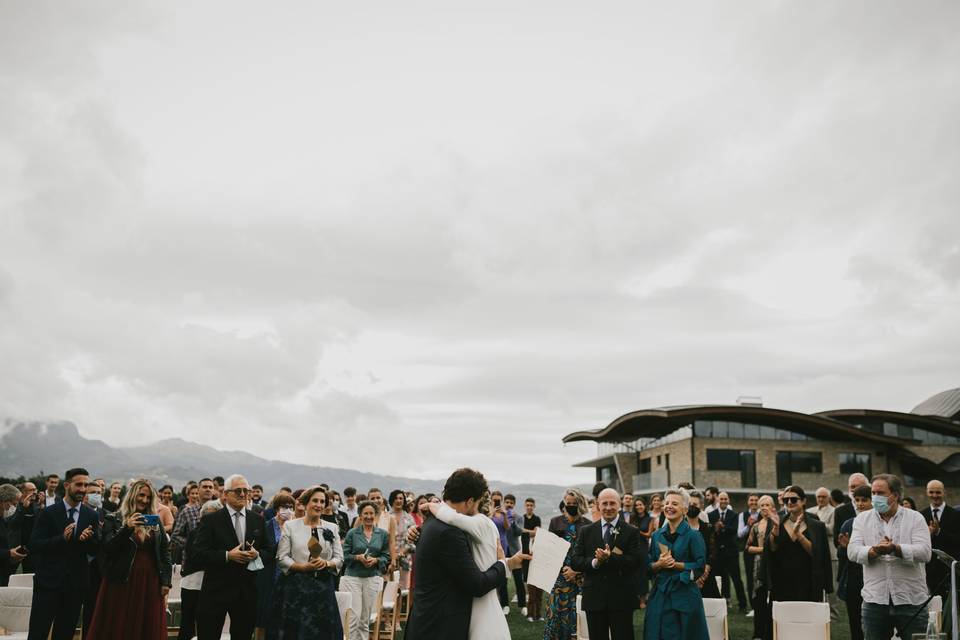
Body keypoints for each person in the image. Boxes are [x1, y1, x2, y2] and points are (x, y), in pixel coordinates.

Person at [404, 467, 525, 640]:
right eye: (476, 503)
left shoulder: (432, 522)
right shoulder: (449, 532)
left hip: (426, 620)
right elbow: (477, 584)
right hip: (439, 628)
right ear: (469, 501)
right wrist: (504, 564)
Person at [848, 473, 932, 640]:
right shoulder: (861, 520)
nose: (875, 497)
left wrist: (896, 549)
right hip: (875, 600)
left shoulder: (915, 518)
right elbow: (852, 551)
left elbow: (925, 552)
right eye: (873, 493)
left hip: (911, 599)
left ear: (895, 495)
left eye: (880, 493)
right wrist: (874, 551)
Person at [85, 479, 171, 640]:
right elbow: (108, 548)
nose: (144, 500)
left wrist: (166, 581)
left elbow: (164, 551)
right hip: (121, 579)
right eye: (141, 495)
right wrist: (127, 528)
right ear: (132, 495)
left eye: (148, 497)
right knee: (119, 623)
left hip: (150, 580)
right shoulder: (114, 518)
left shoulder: (154, 520)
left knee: (147, 625)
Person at [191, 473, 269, 640]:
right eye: (237, 491)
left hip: (246, 592)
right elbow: (197, 554)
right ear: (225, 494)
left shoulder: (258, 521)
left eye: (246, 491)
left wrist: (258, 554)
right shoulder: (211, 520)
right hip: (216, 590)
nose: (242, 494)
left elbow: (269, 551)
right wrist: (227, 556)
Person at [27, 467, 100, 640]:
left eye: (86, 485)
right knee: (38, 633)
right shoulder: (49, 512)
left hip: (75, 586)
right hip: (47, 584)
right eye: (79, 484)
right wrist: (61, 539)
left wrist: (87, 540)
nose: (83, 489)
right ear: (67, 485)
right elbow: (34, 544)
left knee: (65, 634)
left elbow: (96, 549)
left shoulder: (91, 515)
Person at [428, 491, 512, 639]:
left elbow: (451, 517)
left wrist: (431, 504)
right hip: (476, 595)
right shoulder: (475, 526)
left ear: (472, 502)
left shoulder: (481, 522)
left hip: (481, 597)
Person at [267, 486, 343, 640]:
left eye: (322, 501)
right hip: (296, 587)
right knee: (295, 631)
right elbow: (282, 557)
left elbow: (339, 558)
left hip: (322, 587)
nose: (319, 505)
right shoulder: (291, 526)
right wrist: (301, 566)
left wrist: (327, 564)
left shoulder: (332, 528)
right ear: (305, 503)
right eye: (315, 500)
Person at [571, 487, 642, 640]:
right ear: (598, 504)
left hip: (621, 598)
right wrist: (596, 562)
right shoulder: (586, 531)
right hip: (594, 597)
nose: (608, 507)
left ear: (619, 504)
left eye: (612, 503)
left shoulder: (631, 531)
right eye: (604, 503)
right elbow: (576, 561)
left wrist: (610, 558)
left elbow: (635, 561)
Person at [644, 488, 709, 640]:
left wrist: (677, 565)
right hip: (660, 594)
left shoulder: (694, 535)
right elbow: (648, 567)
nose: (669, 506)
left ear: (685, 509)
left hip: (685, 595)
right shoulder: (657, 535)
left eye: (674, 503)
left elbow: (700, 566)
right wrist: (659, 564)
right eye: (666, 503)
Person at [768, 485, 832, 603]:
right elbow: (772, 549)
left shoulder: (817, 525)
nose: (789, 502)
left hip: (807, 581)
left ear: (803, 501)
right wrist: (775, 529)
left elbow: (817, 554)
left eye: (793, 499)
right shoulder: (778, 522)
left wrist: (798, 534)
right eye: (786, 500)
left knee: (806, 618)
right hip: (783, 581)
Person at [542, 488, 591, 640]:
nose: (570, 506)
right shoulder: (555, 522)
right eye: (567, 503)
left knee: (575, 617)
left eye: (574, 503)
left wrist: (576, 572)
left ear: (580, 504)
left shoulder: (588, 526)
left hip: (578, 580)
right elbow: (550, 550)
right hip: (558, 579)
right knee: (555, 616)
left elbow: (590, 555)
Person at [341, 500, 391, 640]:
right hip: (353, 578)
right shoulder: (352, 533)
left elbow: (386, 556)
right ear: (360, 516)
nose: (369, 516)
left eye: (371, 513)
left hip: (372, 577)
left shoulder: (382, 534)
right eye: (365, 513)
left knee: (365, 618)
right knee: (354, 616)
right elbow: (345, 556)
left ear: (375, 515)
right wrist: (358, 557)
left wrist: (376, 560)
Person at [179, 500, 223, 640]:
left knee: (210, 625)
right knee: (187, 623)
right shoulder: (195, 533)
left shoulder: (222, 535)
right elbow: (196, 557)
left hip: (213, 583)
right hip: (193, 582)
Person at [255, 493, 296, 640]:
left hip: (288, 578)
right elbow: (262, 552)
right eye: (285, 507)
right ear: (277, 509)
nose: (288, 510)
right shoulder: (266, 526)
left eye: (291, 507)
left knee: (284, 620)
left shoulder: (294, 528)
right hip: (268, 576)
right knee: (263, 619)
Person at [836, 484, 873, 640]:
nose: (860, 504)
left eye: (864, 500)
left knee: (872, 623)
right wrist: (845, 548)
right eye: (856, 500)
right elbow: (841, 555)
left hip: (872, 577)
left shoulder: (878, 522)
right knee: (855, 622)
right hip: (853, 578)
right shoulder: (848, 524)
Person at [921, 479, 960, 607]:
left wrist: (939, 532)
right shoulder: (921, 515)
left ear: (944, 493)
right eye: (931, 492)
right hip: (929, 570)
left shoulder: (955, 515)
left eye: (938, 492)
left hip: (949, 570)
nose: (935, 495)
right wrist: (929, 535)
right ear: (927, 493)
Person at [708, 491, 747, 612]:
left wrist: (723, 527)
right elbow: (709, 531)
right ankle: (719, 602)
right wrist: (715, 528)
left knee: (736, 579)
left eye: (726, 499)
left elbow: (734, 530)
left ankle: (743, 604)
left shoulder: (733, 514)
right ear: (718, 500)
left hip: (731, 552)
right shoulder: (711, 514)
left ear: (728, 500)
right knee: (718, 578)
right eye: (722, 499)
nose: (724, 501)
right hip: (717, 553)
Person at [745, 495, 777, 640]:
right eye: (762, 505)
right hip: (759, 565)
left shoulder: (778, 523)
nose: (764, 507)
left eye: (767, 505)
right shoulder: (756, 526)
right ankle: (758, 632)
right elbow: (748, 547)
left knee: (773, 599)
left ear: (773, 507)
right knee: (759, 597)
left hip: (774, 565)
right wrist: (763, 550)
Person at [171, 477, 217, 563]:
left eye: (210, 487)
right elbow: (175, 536)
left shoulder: (219, 511)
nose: (208, 489)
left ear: (214, 491)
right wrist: (191, 543)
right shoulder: (187, 511)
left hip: (214, 560)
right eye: (205, 487)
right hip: (191, 560)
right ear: (198, 490)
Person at [685, 490, 719, 599]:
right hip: (683, 574)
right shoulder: (679, 527)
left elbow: (712, 551)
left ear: (701, 506)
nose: (691, 507)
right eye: (689, 504)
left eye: (694, 504)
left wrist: (704, 573)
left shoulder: (707, 528)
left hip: (706, 575)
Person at [502, 494, 526, 616]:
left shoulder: (519, 517)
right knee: (503, 581)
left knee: (519, 580)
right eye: (507, 502)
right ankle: (505, 605)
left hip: (515, 551)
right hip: (503, 551)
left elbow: (519, 533)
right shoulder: (499, 516)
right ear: (503, 503)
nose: (509, 504)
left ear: (514, 504)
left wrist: (514, 522)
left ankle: (523, 605)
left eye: (511, 503)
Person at [0, 484, 27, 586]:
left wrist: (13, 556)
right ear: (4, 501)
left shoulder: (2, 519)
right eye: (14, 504)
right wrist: (8, 553)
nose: (15, 508)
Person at [388, 489, 416, 589]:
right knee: (389, 591)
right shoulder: (386, 516)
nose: (398, 500)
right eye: (396, 498)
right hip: (388, 560)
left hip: (405, 560)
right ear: (391, 500)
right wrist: (393, 555)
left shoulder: (409, 518)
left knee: (404, 591)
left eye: (401, 498)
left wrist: (401, 552)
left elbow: (414, 541)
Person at [522, 497, 543, 621]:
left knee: (538, 590)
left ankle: (538, 614)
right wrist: (530, 532)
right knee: (530, 588)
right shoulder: (522, 519)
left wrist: (527, 532)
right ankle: (530, 614)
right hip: (525, 552)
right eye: (527, 505)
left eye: (531, 505)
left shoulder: (537, 519)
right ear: (525, 506)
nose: (529, 507)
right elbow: (522, 532)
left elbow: (536, 533)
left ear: (534, 506)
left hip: (535, 551)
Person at [738, 493, 760, 607]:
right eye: (752, 500)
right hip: (749, 550)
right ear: (748, 502)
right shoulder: (743, 515)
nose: (754, 503)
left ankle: (761, 603)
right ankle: (753, 605)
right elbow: (740, 534)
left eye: (756, 500)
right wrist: (748, 526)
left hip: (761, 550)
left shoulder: (762, 514)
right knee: (750, 577)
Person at [631, 496, 652, 608]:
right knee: (633, 573)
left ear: (644, 506)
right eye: (637, 505)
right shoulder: (632, 518)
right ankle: (635, 599)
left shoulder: (649, 519)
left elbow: (649, 534)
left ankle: (643, 600)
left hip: (643, 548)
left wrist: (637, 530)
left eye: (640, 504)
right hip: (633, 548)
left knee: (643, 574)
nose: (639, 507)